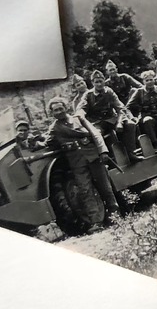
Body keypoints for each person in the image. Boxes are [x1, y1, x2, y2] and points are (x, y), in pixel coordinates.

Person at [44, 96, 122, 226]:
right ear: (52, 113)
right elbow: (47, 142)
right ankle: (96, 221)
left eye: (60, 108)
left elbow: (95, 133)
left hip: (93, 156)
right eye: (55, 110)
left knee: (105, 187)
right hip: (76, 162)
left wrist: (103, 151)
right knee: (86, 191)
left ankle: (115, 214)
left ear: (66, 107)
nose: (59, 112)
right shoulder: (54, 128)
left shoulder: (79, 119)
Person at [81, 70, 138, 161]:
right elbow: (81, 108)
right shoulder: (88, 95)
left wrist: (119, 122)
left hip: (111, 119)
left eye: (101, 81)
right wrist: (80, 114)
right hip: (97, 122)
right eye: (96, 82)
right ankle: (105, 160)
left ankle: (131, 153)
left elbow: (120, 108)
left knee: (130, 125)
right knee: (95, 135)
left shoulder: (109, 92)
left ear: (104, 81)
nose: (99, 84)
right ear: (92, 83)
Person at [127, 71, 157, 154]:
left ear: (154, 80)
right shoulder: (139, 92)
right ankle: (155, 144)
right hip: (146, 114)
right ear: (143, 82)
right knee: (148, 121)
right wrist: (132, 117)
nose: (149, 82)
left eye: (151, 79)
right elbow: (128, 106)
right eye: (147, 80)